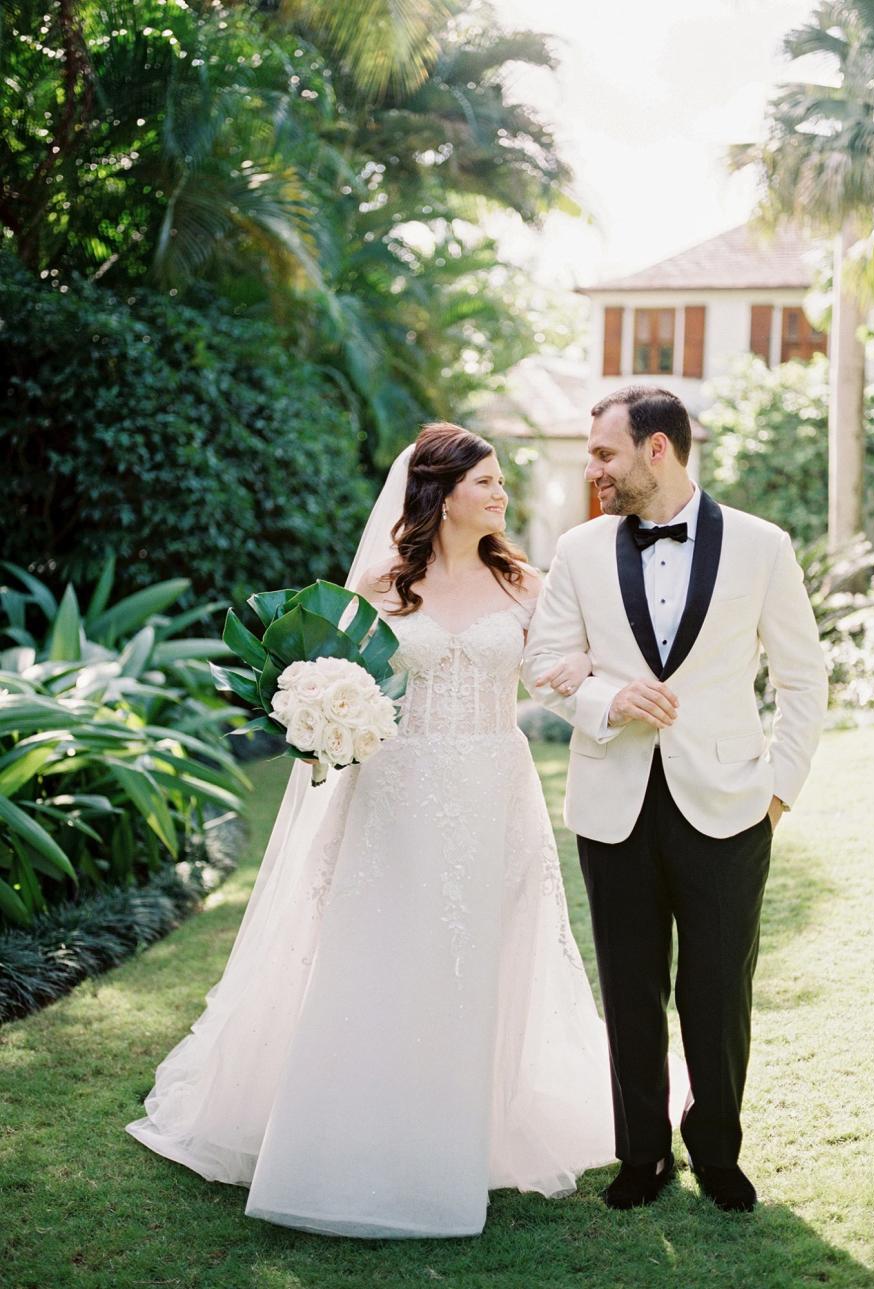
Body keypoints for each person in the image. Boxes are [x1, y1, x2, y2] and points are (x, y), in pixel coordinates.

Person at [126, 421, 660, 1239]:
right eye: (484, 480)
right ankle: (356, 1129)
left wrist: (597, 684)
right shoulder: (382, 583)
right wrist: (317, 709)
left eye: (500, 481)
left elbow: (555, 675)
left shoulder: (525, 582)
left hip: (490, 788)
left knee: (479, 952)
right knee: (380, 952)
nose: (499, 492)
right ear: (440, 494)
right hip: (395, 788)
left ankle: (464, 1131)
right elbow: (337, 676)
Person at [523, 385, 828, 1213]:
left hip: (732, 802)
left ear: (658, 450)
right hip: (612, 802)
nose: (594, 470)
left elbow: (804, 679)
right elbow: (544, 663)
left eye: (604, 454)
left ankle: (717, 1147)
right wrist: (606, 700)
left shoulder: (763, 546)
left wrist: (779, 791)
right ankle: (642, 1154)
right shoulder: (579, 550)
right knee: (629, 985)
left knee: (718, 986)